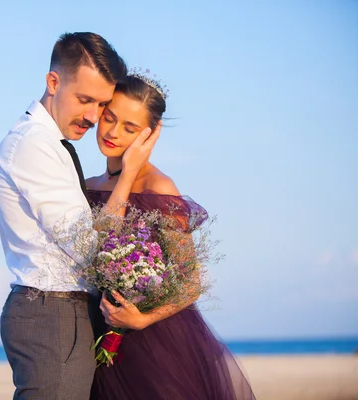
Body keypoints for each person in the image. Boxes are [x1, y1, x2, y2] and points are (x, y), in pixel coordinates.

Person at [0, 33, 160, 400]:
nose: (92, 117)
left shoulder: (50, 143)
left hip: (62, 314)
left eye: (101, 104)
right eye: (84, 100)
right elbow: (90, 248)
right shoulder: (34, 144)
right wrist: (128, 174)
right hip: (52, 315)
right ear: (53, 82)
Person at [86, 72, 256, 400]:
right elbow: (98, 243)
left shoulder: (158, 188)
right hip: (96, 334)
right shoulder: (88, 186)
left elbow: (190, 280)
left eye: (130, 128)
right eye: (109, 118)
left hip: (154, 342)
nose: (113, 132)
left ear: (150, 135)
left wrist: (143, 318)